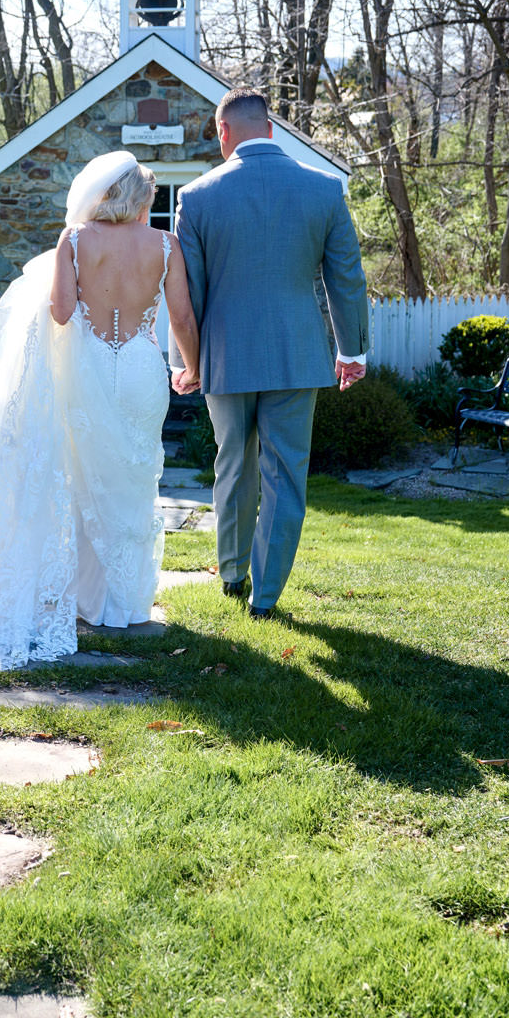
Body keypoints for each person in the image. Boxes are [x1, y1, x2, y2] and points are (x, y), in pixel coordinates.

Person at [0, 152, 200, 671]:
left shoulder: (74, 240)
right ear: (136, 198)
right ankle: (124, 606)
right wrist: (191, 367)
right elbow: (182, 316)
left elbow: (61, 312)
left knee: (81, 480)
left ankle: (84, 597)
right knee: (135, 479)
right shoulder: (165, 245)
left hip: (86, 370)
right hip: (142, 369)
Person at [173, 87, 369, 619]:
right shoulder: (324, 190)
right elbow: (346, 278)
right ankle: (266, 596)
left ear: (224, 134)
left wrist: (185, 363)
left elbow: (185, 294)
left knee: (233, 465)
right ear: (271, 129)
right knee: (285, 475)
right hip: (296, 353)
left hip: (223, 357)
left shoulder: (196, 197)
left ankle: (232, 574)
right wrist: (352, 350)